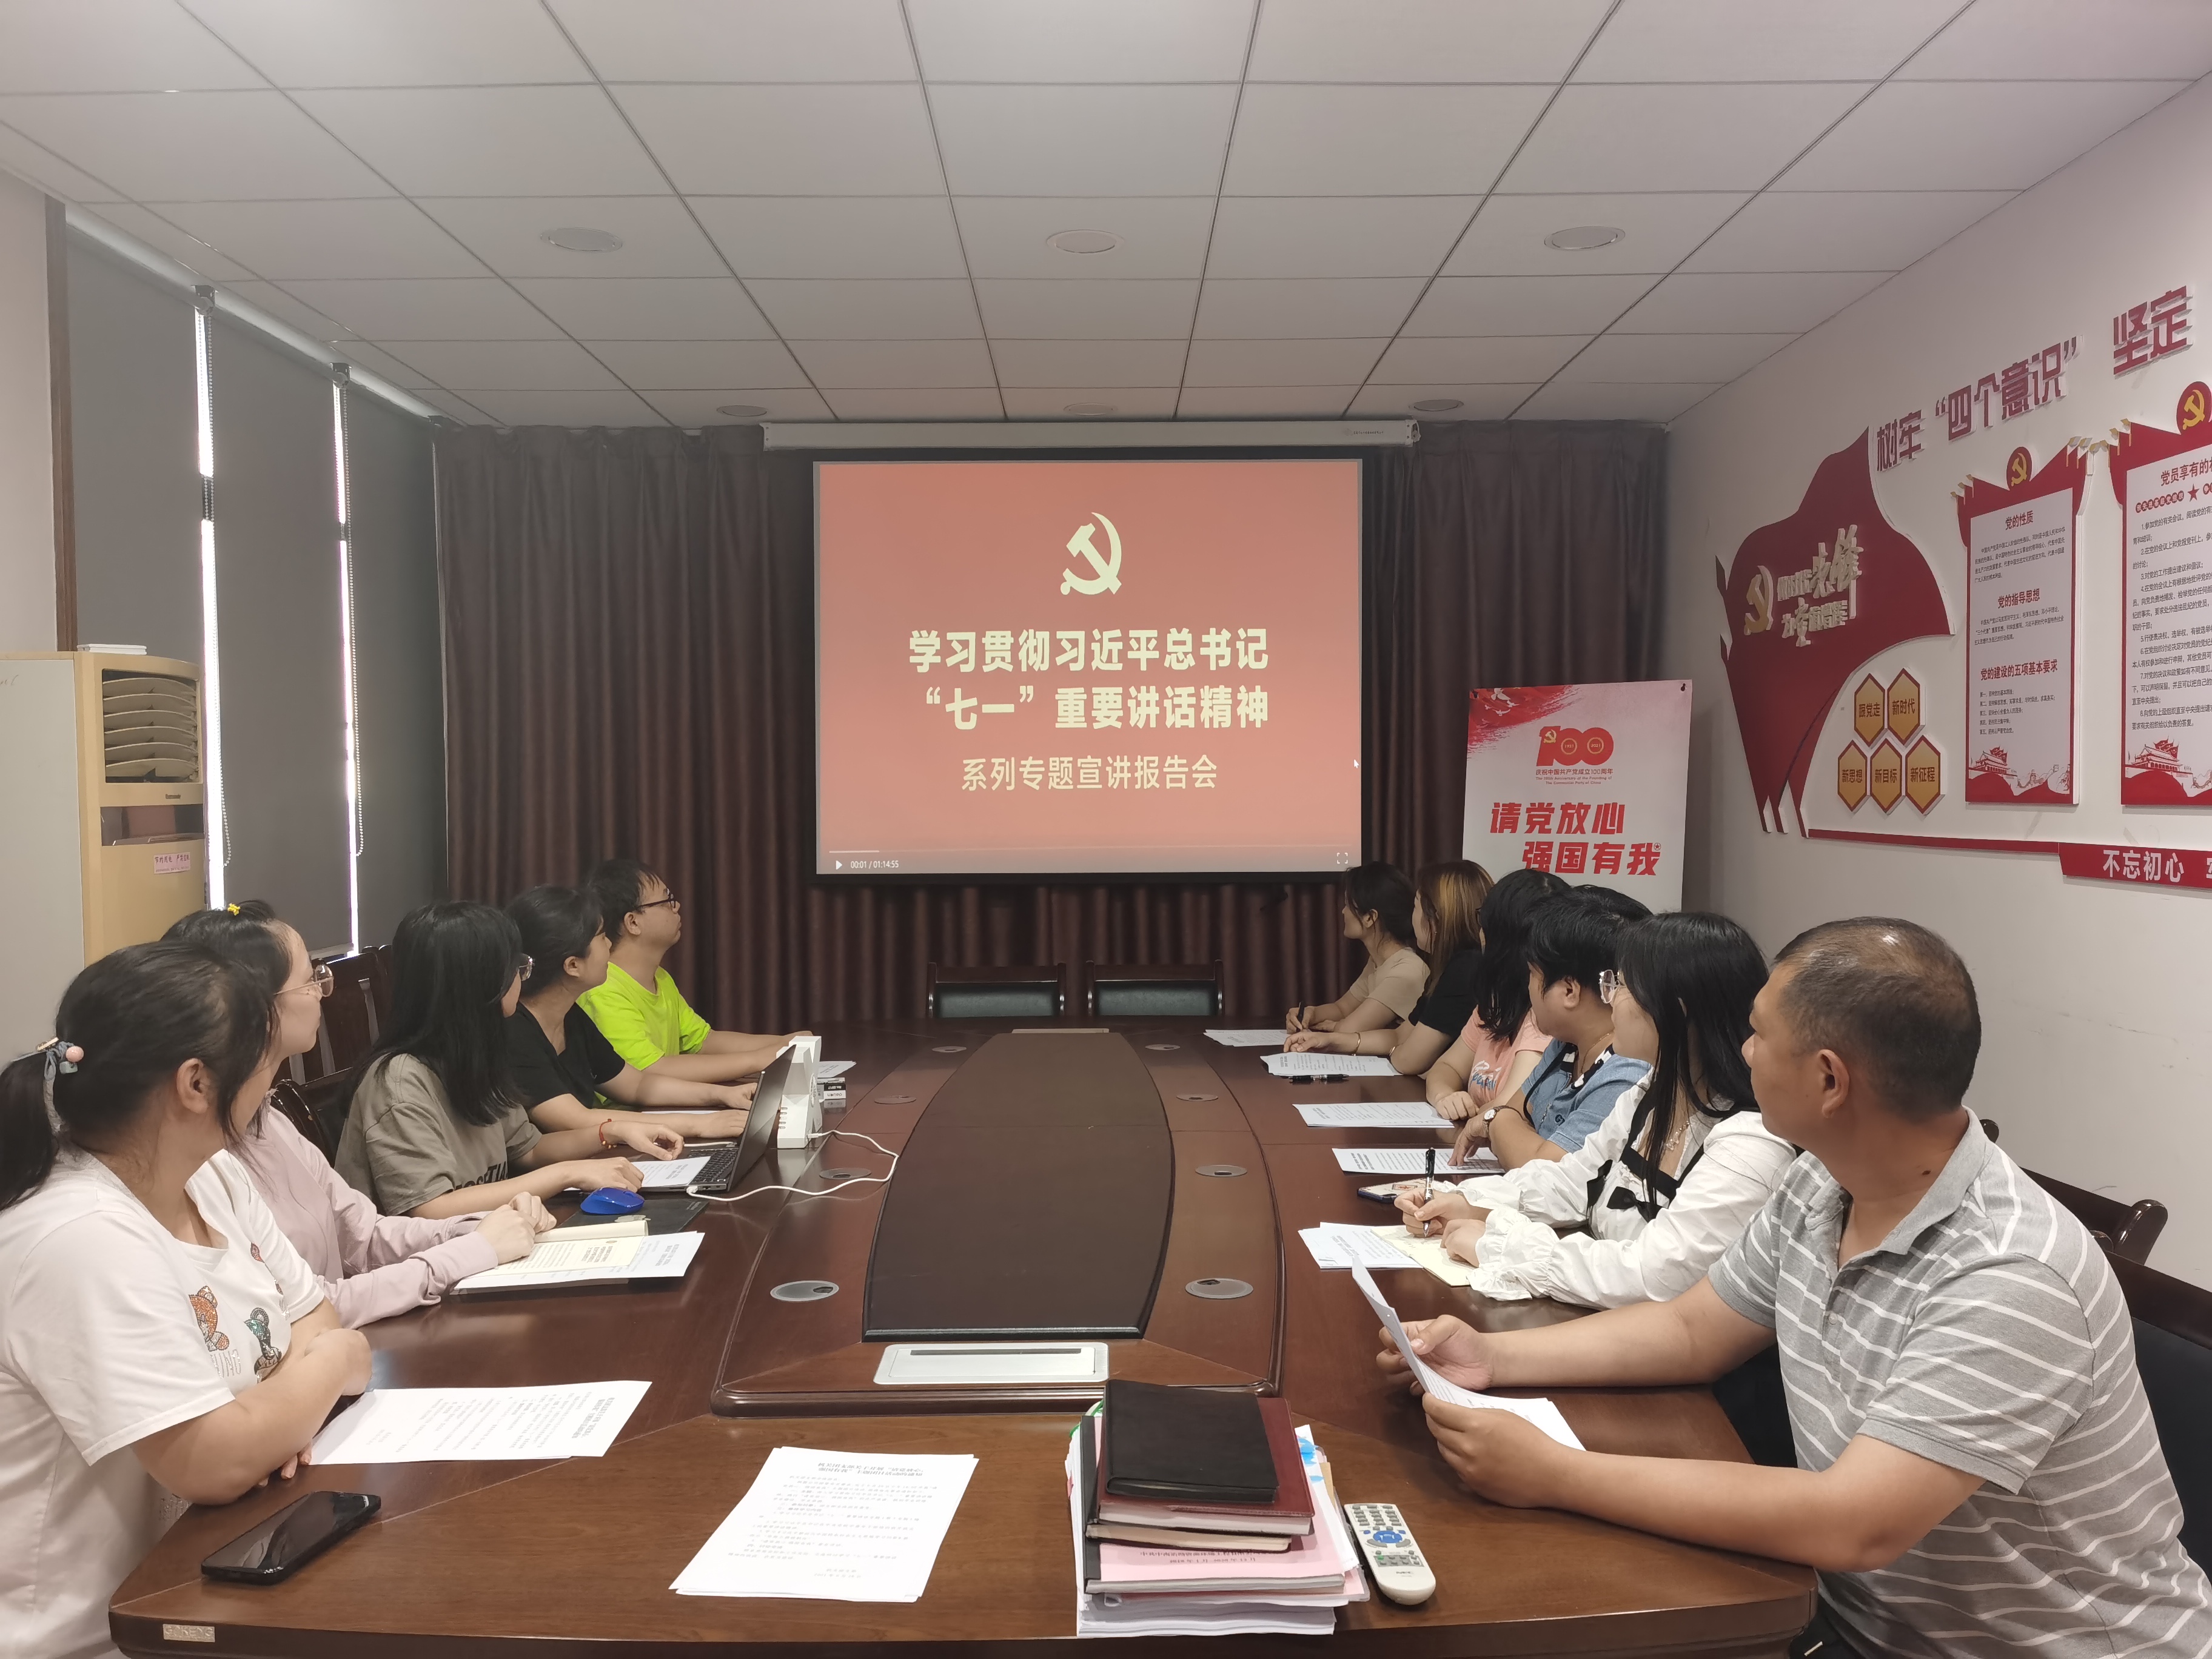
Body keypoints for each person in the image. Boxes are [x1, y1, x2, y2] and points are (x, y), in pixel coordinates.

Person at [1378, 919, 2212, 1658]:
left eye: (1758, 1034)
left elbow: (1854, 1522)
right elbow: (1692, 1330)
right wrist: (1495, 1358)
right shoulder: (1821, 1183)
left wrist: (1555, 1473)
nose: (1742, 1052)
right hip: (1849, 1619)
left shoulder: (2010, 1274)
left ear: (1829, 1080)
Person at [0, 942, 372, 1659]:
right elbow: (213, 1459)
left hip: (225, 1570)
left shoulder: (214, 1174)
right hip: (102, 1635)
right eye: (261, 1058)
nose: (273, 1077)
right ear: (197, 1083)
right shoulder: (80, 1237)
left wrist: (270, 1422)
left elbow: (314, 1318)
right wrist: (332, 1366)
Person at [164, 902, 553, 1327]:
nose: (322, 990)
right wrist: (471, 1251)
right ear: (255, 1009)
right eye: (309, 980)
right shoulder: (202, 1157)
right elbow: (304, 1309)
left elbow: (364, 1235)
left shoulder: (269, 1121)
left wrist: (477, 1227)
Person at [1398, 913, 1795, 1309]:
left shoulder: (1747, 1145)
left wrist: (1503, 1245)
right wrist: (1467, 1202)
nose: (1609, 999)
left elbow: (1651, 1275)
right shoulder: (1651, 1093)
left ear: (1675, 1011)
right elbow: (1573, 1181)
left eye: (1621, 985)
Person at [335, 901, 680, 1218]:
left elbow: (529, 1149)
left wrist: (611, 1132)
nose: (522, 977)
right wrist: (568, 1174)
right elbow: (432, 1209)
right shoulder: (399, 1083)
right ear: (480, 984)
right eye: (517, 967)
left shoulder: (476, 1054)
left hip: (484, 1238)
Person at [506, 886, 758, 1144]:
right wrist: (701, 1124)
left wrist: (721, 1095)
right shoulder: (515, 1034)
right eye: (601, 937)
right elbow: (575, 1120)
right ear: (573, 965)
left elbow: (636, 1085)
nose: (610, 944)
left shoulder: (570, 1016)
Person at [1450, 890, 1649, 1171]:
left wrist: (1494, 1120)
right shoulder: (1566, 1044)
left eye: (1533, 974)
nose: (1528, 987)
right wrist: (1508, 1123)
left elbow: (1543, 1169)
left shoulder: (1627, 1071)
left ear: (1569, 991)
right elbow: (1513, 1111)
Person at [578, 859, 806, 1085]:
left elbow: (703, 1041)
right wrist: (758, 1060)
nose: (676, 906)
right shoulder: (604, 990)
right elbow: (649, 1070)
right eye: (667, 900)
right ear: (633, 922)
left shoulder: (660, 978)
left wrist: (785, 1043)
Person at [1284, 860, 1490, 1075]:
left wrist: (1339, 1034)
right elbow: (1399, 1036)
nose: (1343, 911)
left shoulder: (1463, 969)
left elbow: (1407, 1060)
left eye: (1416, 907)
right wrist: (1329, 1040)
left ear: (1436, 918)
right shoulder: (1451, 967)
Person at [1422, 869, 1569, 1122]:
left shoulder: (1545, 1017)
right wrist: (1445, 1097)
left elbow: (1507, 1109)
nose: (1480, 933)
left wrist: (1468, 1116)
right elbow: (1445, 1068)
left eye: (1483, 922)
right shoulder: (1496, 1003)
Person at [1286, 862, 1424, 1037]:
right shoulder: (1379, 961)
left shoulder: (1405, 971)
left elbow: (1349, 1030)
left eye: (1348, 905)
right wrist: (1311, 1013)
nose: (1343, 912)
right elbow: (1342, 1008)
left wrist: (1336, 1026)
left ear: (1370, 917)